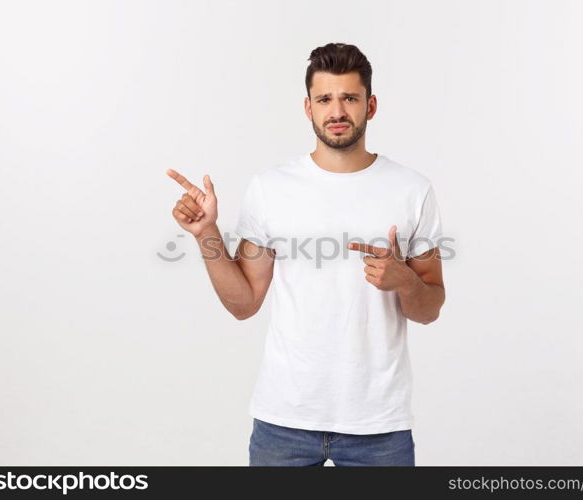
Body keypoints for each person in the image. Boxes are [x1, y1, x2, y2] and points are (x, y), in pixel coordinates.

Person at [166, 42, 446, 466]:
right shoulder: (270, 188)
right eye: (325, 100)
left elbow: (430, 309)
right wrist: (206, 233)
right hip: (285, 418)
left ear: (370, 106)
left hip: (379, 425)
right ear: (307, 107)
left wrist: (404, 280)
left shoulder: (412, 190)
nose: (337, 111)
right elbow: (244, 304)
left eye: (349, 98)